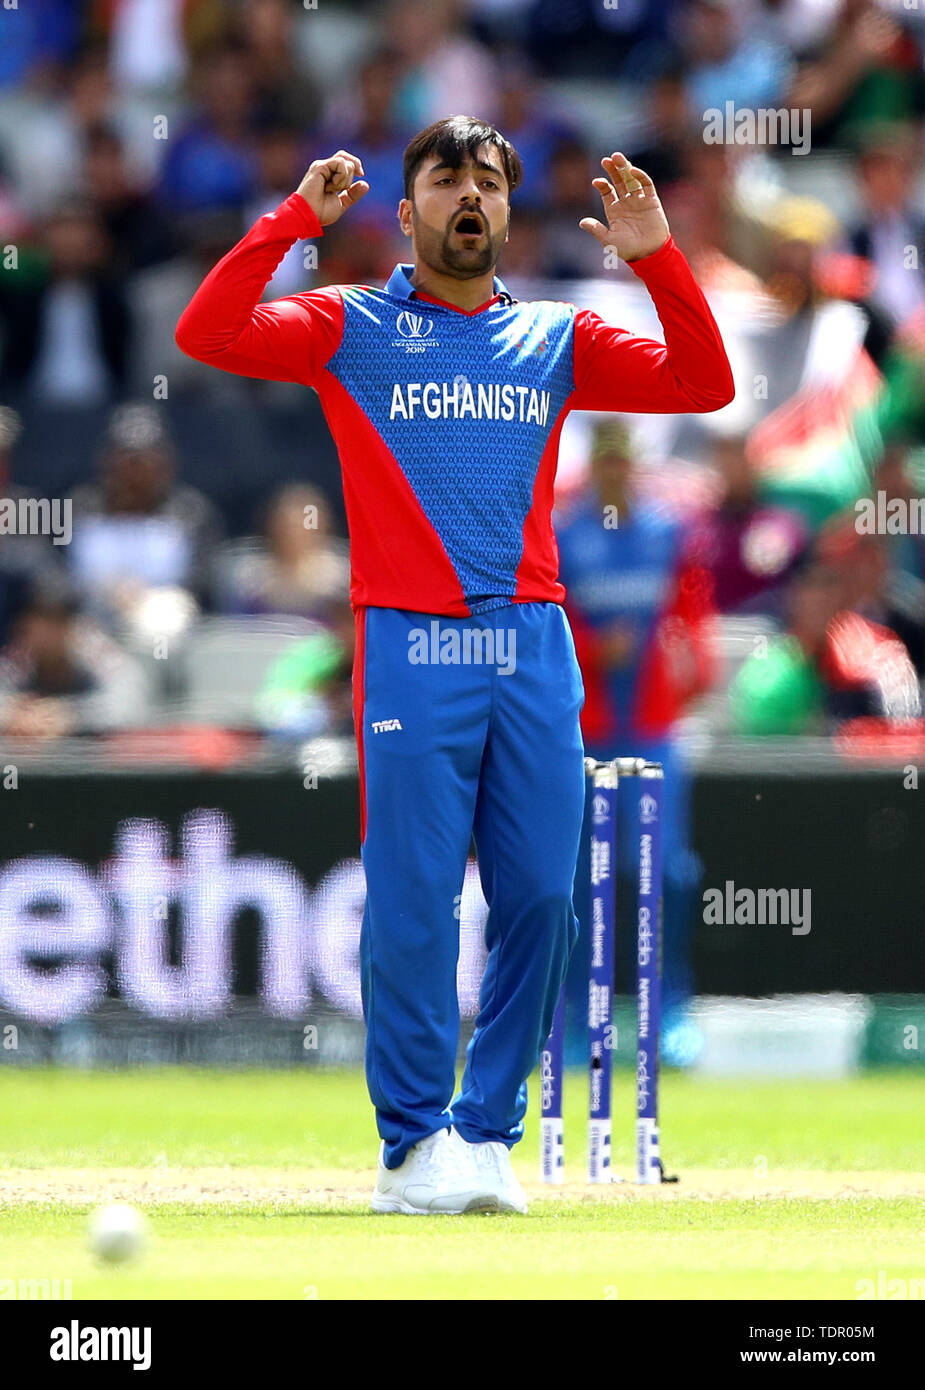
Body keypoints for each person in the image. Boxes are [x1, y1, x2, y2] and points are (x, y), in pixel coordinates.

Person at [175, 115, 733, 1215]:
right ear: (409, 210)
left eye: (488, 178)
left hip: (532, 642)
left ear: (508, 210)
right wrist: (294, 221)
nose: (469, 193)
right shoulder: (352, 324)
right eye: (445, 177)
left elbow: (704, 383)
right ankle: (410, 1144)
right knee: (417, 900)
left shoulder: (555, 338)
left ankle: (483, 1135)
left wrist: (658, 257)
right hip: (412, 641)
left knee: (540, 898)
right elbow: (209, 332)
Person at [556, 420, 716, 1065]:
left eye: (626, 463)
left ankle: (668, 1009)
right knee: (575, 879)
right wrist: (597, 651)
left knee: (661, 870)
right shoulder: (566, 534)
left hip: (653, 729)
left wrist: (698, 669)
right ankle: (570, 1018)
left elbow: (692, 612)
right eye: (608, 463)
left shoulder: (666, 531)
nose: (617, 475)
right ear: (595, 467)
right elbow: (550, 620)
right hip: (585, 728)